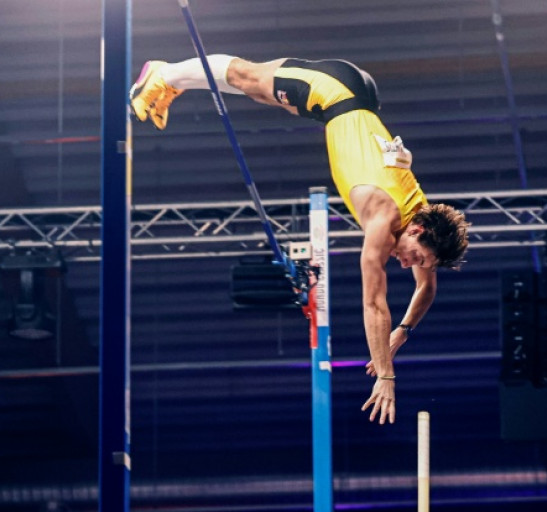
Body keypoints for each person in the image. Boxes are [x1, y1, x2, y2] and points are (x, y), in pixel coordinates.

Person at [130, 56, 469, 425]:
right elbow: (374, 305)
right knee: (249, 77)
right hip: (335, 90)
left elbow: (427, 289)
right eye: (416, 258)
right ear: (417, 232)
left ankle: (175, 82)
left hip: (348, 101)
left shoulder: (421, 214)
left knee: (260, 94)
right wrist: (386, 377)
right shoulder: (382, 219)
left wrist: (402, 333)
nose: (409, 265)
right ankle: (162, 73)